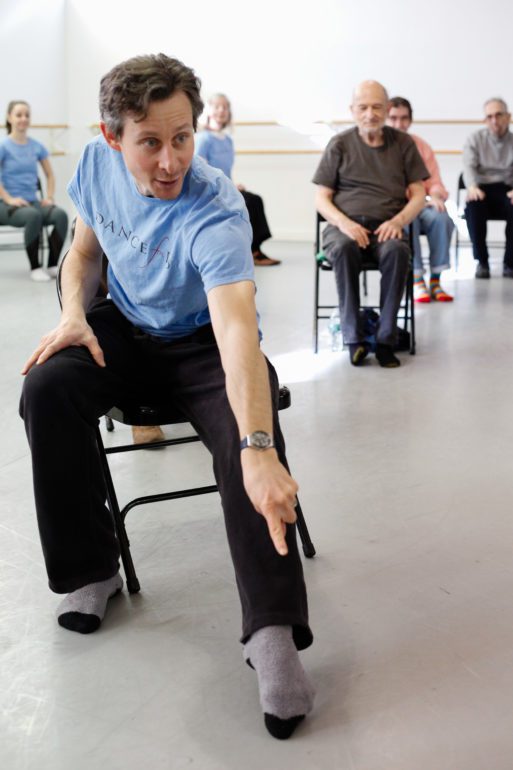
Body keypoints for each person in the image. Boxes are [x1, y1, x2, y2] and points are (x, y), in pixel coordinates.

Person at [19, 54, 314, 740]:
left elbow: (236, 327)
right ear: (111, 135)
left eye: (181, 137)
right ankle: (93, 570)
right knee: (48, 385)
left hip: (204, 345)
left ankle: (271, 633)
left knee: (247, 436)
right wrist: (72, 314)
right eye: (149, 141)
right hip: (125, 329)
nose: (170, 159)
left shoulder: (214, 207)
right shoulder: (94, 167)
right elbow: (85, 254)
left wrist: (259, 447)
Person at [313, 80, 428, 368]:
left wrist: (399, 220)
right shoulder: (339, 144)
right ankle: (354, 340)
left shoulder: (403, 144)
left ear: (388, 109)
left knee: (398, 251)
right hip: (344, 228)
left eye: (377, 107)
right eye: (363, 107)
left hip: (387, 226)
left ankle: (386, 340)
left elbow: (419, 194)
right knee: (342, 249)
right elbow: (321, 198)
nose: (370, 114)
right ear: (352, 111)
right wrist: (344, 223)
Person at [195, 93, 280, 266]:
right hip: (211, 191)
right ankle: (250, 251)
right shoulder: (204, 139)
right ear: (209, 110)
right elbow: (201, 171)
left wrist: (233, 185)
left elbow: (226, 171)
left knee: (255, 200)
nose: (221, 110)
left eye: (225, 107)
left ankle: (254, 250)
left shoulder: (227, 140)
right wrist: (229, 186)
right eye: (217, 106)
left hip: (226, 187)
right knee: (250, 201)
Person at [387, 97, 454, 303]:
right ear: (386, 119)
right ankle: (416, 278)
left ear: (411, 119)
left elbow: (434, 181)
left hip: (424, 203)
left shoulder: (421, 146)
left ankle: (435, 279)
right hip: (397, 208)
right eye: (394, 118)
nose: (399, 124)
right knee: (409, 221)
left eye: (404, 118)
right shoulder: (382, 146)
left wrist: (434, 196)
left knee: (442, 218)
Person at [0, 100, 68, 281]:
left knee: (60, 215)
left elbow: (50, 175)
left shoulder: (36, 146)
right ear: (9, 117)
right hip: (6, 205)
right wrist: (8, 199)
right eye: (19, 115)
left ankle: (53, 264)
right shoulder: (3, 146)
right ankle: (35, 267)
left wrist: (50, 197)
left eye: (26, 115)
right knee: (33, 216)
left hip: (32, 202)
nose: (23, 119)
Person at [463, 98, 513, 279]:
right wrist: (472, 187)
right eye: (489, 116)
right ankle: (482, 262)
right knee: (473, 207)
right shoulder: (475, 139)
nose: (494, 120)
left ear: (508, 117)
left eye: (498, 115)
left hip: (507, 189)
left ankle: (510, 262)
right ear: (485, 120)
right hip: (481, 188)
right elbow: (468, 167)